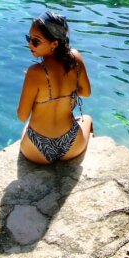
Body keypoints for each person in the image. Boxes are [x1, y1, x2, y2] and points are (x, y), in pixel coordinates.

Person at [17, 11, 93, 164]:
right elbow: (86, 92)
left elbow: (22, 116)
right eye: (29, 39)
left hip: (36, 149)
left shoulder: (35, 72)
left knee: (26, 127)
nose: (29, 44)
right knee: (87, 119)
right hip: (72, 145)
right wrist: (67, 92)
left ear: (54, 44)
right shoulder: (76, 58)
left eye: (36, 41)